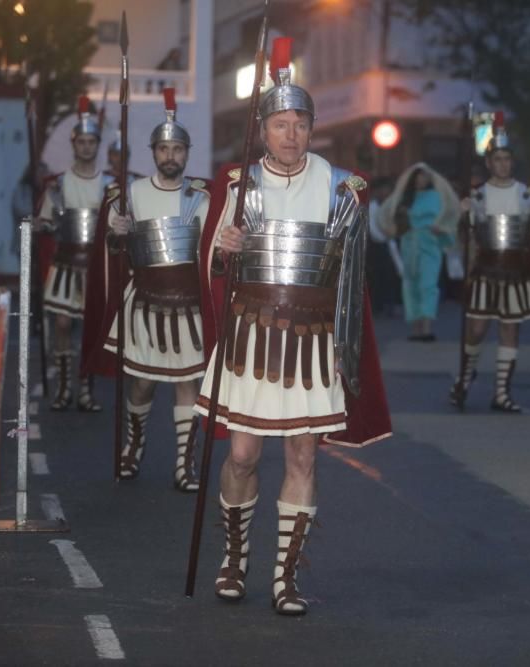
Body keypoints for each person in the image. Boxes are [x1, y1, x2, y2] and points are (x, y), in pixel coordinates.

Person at [195, 36, 391, 616]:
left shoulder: (340, 187)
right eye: (279, 124)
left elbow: (356, 278)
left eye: (299, 124)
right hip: (250, 339)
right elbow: (209, 265)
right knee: (243, 457)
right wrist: (225, 247)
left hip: (311, 343)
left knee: (303, 458)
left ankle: (285, 577)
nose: (290, 134)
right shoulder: (237, 185)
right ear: (264, 131)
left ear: (310, 128)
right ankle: (234, 557)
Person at [83, 88, 211, 485]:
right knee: (142, 384)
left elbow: (211, 255)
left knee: (188, 382)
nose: (170, 156)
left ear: (187, 153)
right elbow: (114, 251)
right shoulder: (130, 194)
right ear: (153, 152)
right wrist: (117, 232)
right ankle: (133, 447)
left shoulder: (203, 198)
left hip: (188, 303)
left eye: (177, 149)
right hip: (144, 303)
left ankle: (182, 465)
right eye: (163, 148)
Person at [450, 112, 530, 411]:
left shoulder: (528, 196)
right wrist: (464, 213)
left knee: (510, 329)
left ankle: (502, 393)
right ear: (488, 162)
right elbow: (463, 238)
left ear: (512, 162)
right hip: (485, 270)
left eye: (507, 159)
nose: (503, 164)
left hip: (517, 272)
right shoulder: (477, 196)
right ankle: (464, 381)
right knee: (477, 329)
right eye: (497, 159)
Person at [36, 96, 115, 411]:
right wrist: (40, 225)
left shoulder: (110, 185)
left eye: (90, 141)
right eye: (81, 141)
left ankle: (85, 389)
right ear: (74, 144)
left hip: (94, 265)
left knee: (91, 329)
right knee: (63, 326)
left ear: (97, 144)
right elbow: (46, 220)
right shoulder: (59, 185)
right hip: (65, 263)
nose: (86, 146)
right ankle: (64, 387)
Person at [379, 162, 459, 340]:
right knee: (410, 286)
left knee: (428, 285)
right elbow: (388, 216)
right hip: (409, 244)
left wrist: (441, 229)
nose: (420, 180)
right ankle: (415, 328)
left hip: (429, 244)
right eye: (417, 177)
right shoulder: (405, 198)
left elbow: (448, 219)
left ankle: (427, 328)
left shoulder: (437, 198)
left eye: (423, 176)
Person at [366, 176, 401, 315]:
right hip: (376, 246)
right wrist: (387, 236)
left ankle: (389, 304)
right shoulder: (372, 207)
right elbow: (373, 230)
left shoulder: (389, 206)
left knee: (389, 276)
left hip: (388, 243)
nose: (385, 193)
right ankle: (378, 305)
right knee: (377, 277)